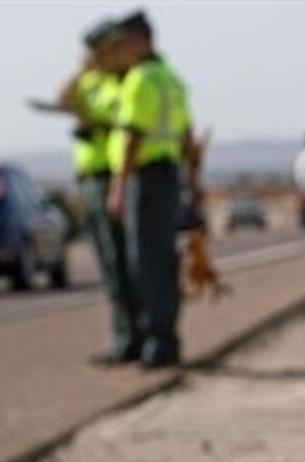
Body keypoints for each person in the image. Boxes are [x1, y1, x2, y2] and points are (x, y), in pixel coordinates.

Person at [106, 10, 198, 368]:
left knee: (145, 262)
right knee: (163, 259)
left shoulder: (141, 80)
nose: (121, 52)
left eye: (124, 44)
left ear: (141, 41)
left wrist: (117, 188)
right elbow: (188, 136)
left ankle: (157, 341)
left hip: (145, 179)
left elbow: (132, 137)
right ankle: (165, 337)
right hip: (168, 176)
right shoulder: (171, 79)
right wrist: (192, 182)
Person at [58, 19, 142, 365]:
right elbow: (64, 100)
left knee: (121, 262)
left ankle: (131, 337)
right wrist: (81, 71)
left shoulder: (119, 85)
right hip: (91, 179)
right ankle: (125, 334)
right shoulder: (93, 81)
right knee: (111, 265)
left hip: (111, 178)